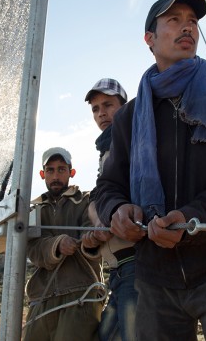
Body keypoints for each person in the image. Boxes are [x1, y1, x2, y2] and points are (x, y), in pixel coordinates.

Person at [95, 0, 206, 340]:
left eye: (193, 22)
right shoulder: (127, 118)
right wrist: (118, 211)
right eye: (174, 20)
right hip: (154, 277)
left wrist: (189, 219)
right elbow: (107, 187)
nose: (187, 27)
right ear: (150, 39)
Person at [23, 147, 104, 341]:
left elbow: (92, 236)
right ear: (42, 174)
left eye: (61, 169)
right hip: (40, 298)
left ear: (71, 172)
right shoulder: (35, 210)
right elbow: (32, 249)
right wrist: (57, 245)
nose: (55, 175)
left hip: (80, 294)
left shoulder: (86, 201)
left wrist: (90, 241)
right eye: (50, 170)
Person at [83, 78, 138, 341]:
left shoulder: (130, 143)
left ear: (124, 106)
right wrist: (97, 227)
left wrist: (100, 215)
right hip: (117, 268)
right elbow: (101, 200)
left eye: (108, 105)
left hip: (134, 262)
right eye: (95, 108)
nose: (101, 113)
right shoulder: (106, 148)